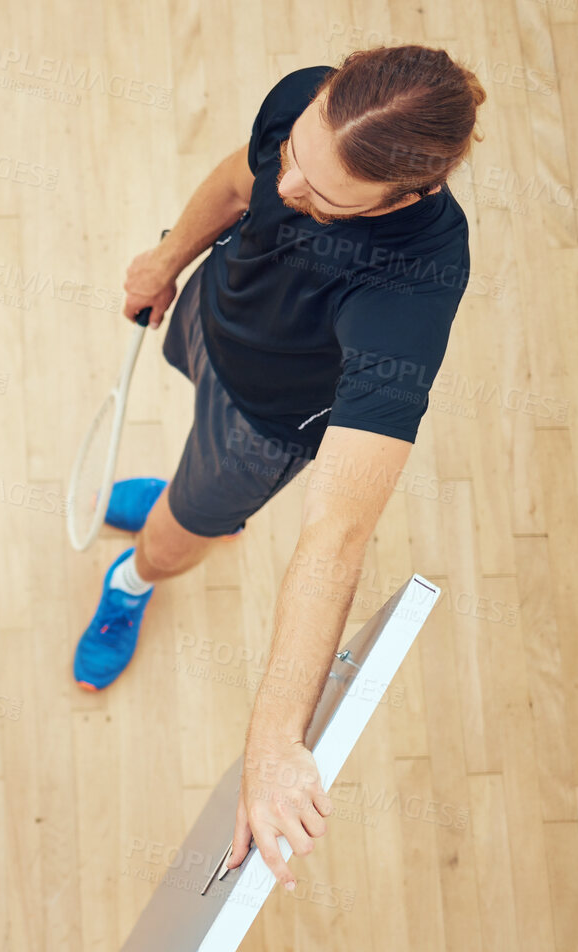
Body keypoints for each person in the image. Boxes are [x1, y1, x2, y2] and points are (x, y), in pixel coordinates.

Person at [72, 46, 485, 887]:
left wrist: (272, 741)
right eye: (295, 153)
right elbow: (237, 184)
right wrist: (167, 261)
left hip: (266, 424)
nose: (289, 189)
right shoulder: (313, 105)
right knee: (190, 478)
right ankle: (184, 504)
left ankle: (136, 576)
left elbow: (338, 533)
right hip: (212, 323)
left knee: (174, 538)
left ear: (407, 194)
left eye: (322, 197)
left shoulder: (416, 287)